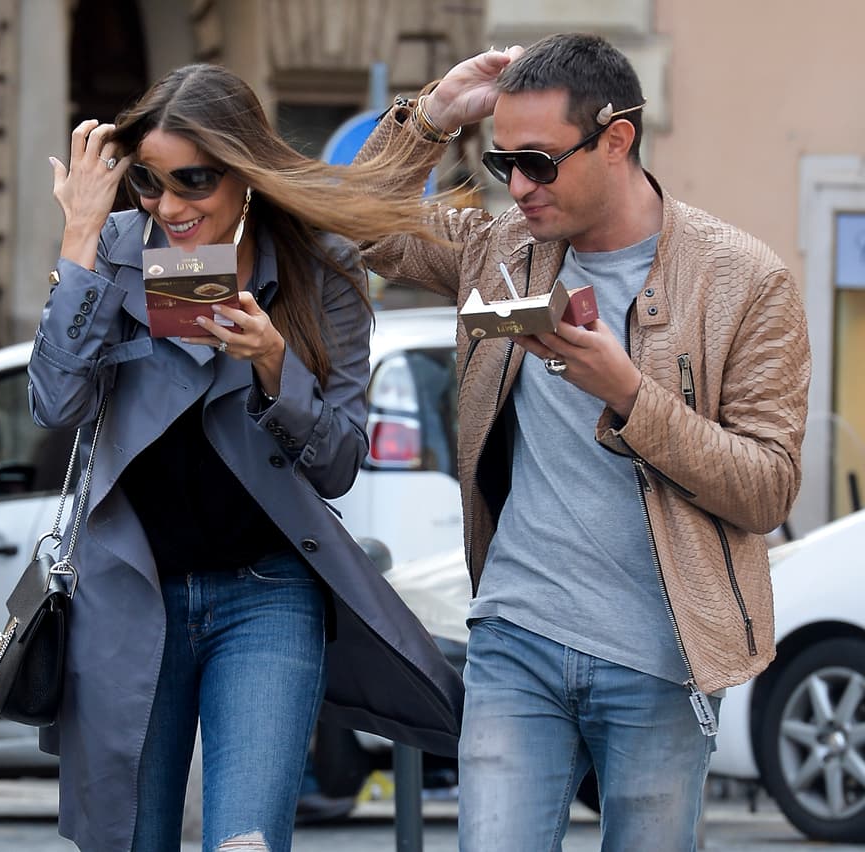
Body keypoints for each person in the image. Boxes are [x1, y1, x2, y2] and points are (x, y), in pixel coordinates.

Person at [355, 33, 811, 851]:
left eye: (539, 161)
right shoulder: (502, 251)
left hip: (664, 657)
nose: (520, 186)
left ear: (617, 139)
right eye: (503, 165)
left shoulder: (746, 280)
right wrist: (428, 118)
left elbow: (768, 487)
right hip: (514, 638)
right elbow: (364, 228)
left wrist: (631, 395)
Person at [29, 63, 463, 852]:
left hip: (267, 596)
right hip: (133, 595)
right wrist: (80, 240)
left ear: (244, 170)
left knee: (248, 843)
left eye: (192, 181)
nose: (171, 206)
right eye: (150, 184)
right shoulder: (114, 252)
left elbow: (337, 464)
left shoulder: (314, 262)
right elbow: (55, 405)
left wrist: (273, 365)